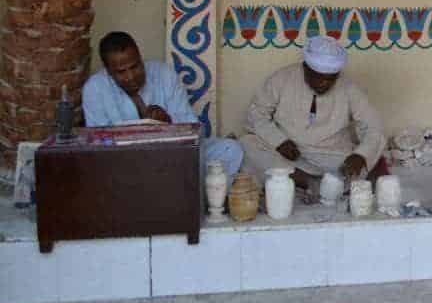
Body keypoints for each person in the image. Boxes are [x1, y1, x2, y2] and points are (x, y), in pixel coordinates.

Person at [239, 36, 387, 201]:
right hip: (289, 155)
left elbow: (373, 127)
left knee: (367, 157)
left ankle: (310, 184)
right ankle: (311, 183)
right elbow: (256, 115)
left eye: (330, 78)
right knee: (248, 144)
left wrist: (361, 155)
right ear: (305, 68)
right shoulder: (281, 79)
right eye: (317, 77)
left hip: (331, 156)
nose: (323, 83)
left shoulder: (349, 88)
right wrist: (278, 141)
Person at [83, 32, 243, 178]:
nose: (131, 76)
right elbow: (97, 144)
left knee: (230, 149)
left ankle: (200, 201)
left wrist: (168, 122)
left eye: (135, 66)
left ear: (140, 58)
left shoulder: (163, 74)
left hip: (174, 157)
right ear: (109, 72)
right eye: (121, 71)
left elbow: (194, 131)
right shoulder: (95, 89)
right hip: (125, 165)